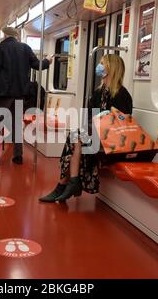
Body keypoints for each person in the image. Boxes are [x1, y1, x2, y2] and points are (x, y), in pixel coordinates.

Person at [39, 54, 133, 203]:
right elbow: (90, 117)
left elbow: (123, 125)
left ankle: (65, 185)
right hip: (98, 135)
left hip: (114, 140)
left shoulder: (122, 95)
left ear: (111, 68)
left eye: (102, 63)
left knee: (75, 138)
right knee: (75, 138)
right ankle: (71, 183)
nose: (99, 66)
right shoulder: (98, 92)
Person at [0, 26, 52, 166]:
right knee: (16, 124)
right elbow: (37, 65)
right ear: (16, 36)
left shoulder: (0, 48)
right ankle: (18, 155)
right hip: (20, 92)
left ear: (5, 35)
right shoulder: (25, 48)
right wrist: (48, 61)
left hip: (4, 92)